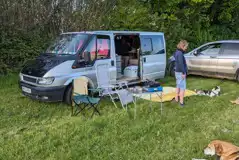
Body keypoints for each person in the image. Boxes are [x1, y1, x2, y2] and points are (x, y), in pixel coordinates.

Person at [173, 40, 189, 106]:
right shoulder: (180, 53)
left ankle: (176, 99)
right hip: (180, 72)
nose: (186, 48)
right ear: (182, 46)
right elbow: (181, 64)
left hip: (177, 72)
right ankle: (181, 102)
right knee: (182, 87)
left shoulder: (177, 52)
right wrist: (183, 73)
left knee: (178, 86)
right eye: (185, 47)